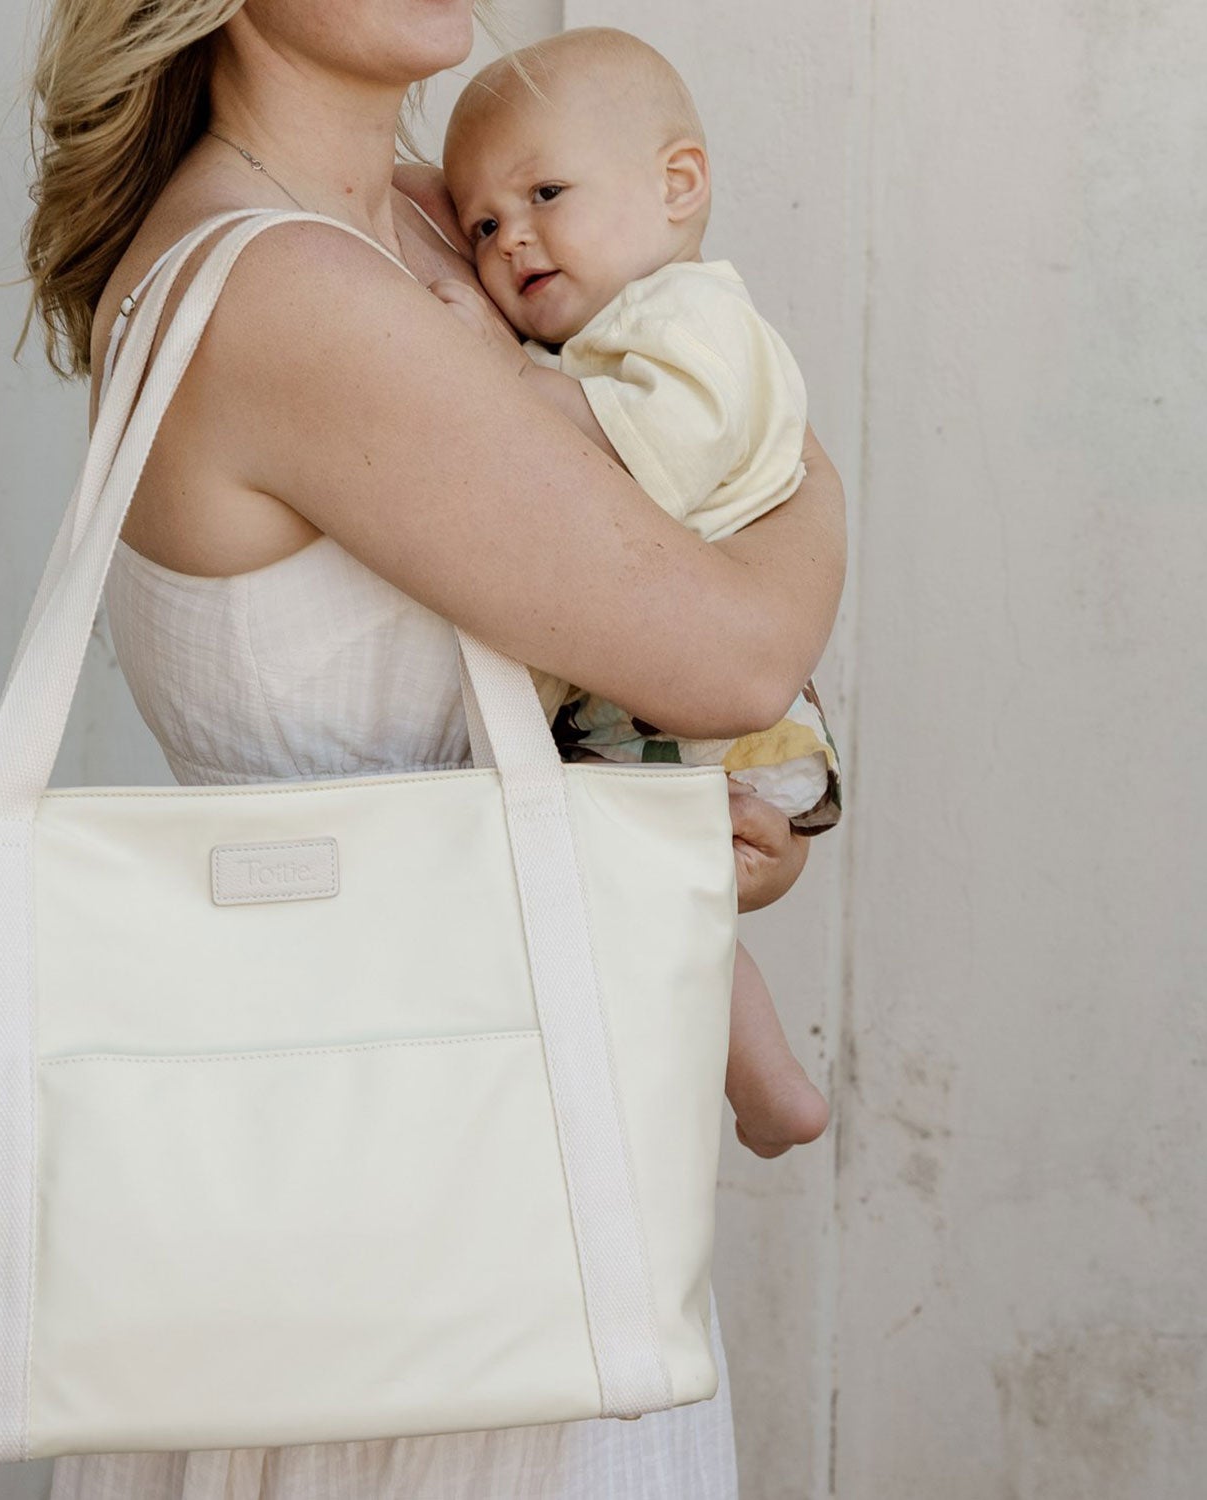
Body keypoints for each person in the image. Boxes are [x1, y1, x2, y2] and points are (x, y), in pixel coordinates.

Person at [22, 2, 845, 1495]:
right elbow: (740, 651)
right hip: (423, 1205)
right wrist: (800, 463)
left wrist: (682, 851)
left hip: (469, 1130)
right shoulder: (291, 288)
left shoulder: (434, 227)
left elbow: (576, 667)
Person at [434, 26, 834, 1160]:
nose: (512, 239)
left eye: (545, 192)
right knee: (641, 910)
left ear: (678, 185)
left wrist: (494, 372)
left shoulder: (690, 321)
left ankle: (758, 1083)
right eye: (482, 225)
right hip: (675, 686)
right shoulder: (618, 335)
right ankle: (756, 1086)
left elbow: (627, 470)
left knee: (609, 899)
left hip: (689, 696)